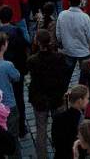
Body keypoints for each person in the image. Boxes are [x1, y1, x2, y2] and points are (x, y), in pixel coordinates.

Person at [28, 29, 70, 159]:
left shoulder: (32, 60)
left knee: (41, 130)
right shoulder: (60, 57)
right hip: (57, 97)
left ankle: (42, 156)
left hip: (40, 98)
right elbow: (65, 76)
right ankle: (61, 151)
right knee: (60, 127)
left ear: (37, 42)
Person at [57, 0, 90, 75]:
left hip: (68, 50)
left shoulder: (62, 15)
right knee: (86, 76)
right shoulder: (85, 17)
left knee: (66, 76)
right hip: (84, 52)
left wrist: (62, 43)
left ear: (69, 2)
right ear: (80, 1)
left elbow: (58, 34)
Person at [52, 85, 89, 159]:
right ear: (80, 101)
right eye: (87, 98)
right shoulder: (80, 120)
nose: (88, 101)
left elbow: (55, 140)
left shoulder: (57, 117)